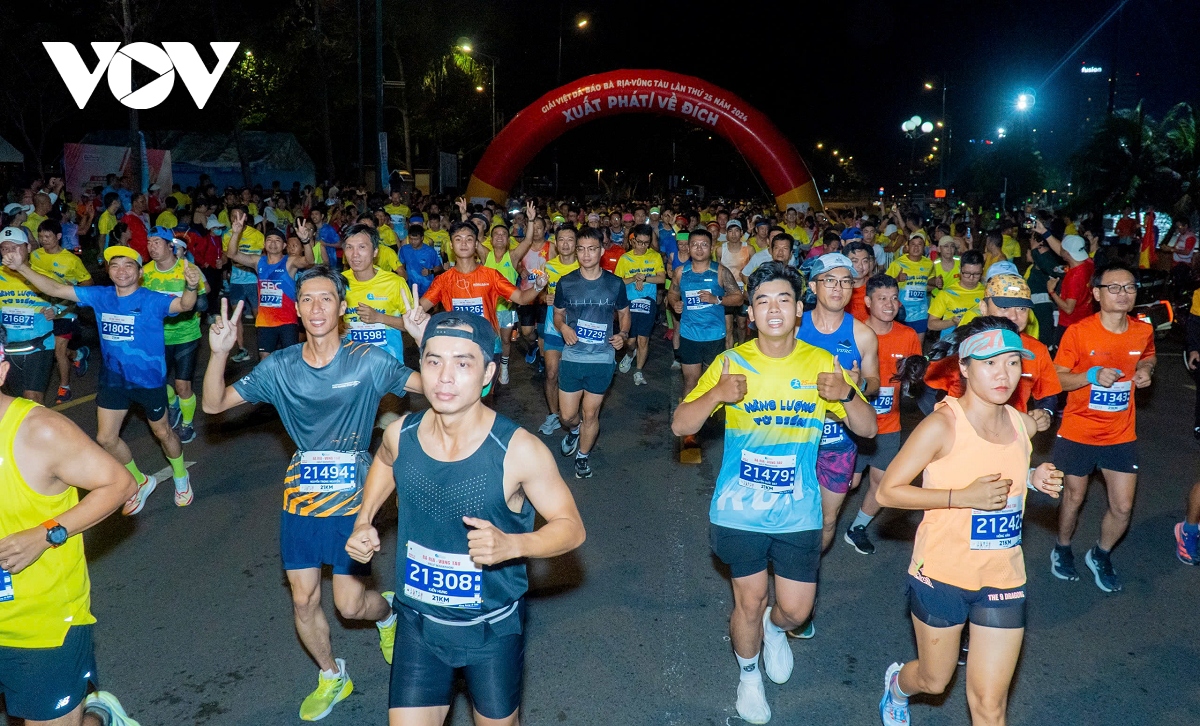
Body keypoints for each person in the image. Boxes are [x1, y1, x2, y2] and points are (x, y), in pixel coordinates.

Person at [202, 266, 428, 721]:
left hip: (353, 498)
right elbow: (212, 404)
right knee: (304, 599)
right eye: (307, 299)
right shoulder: (280, 367)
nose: (317, 308)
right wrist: (219, 354)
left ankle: (386, 617)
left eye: (327, 298)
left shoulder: (368, 360)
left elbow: (439, 391)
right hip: (301, 496)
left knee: (349, 603)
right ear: (298, 309)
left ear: (342, 308)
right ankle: (331, 675)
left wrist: (423, 341)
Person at [345, 311, 586, 726]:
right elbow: (384, 462)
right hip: (418, 624)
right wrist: (364, 518)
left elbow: (571, 527)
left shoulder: (518, 450)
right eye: (433, 360)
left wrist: (515, 544)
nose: (444, 377)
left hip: (489, 632)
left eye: (463, 362)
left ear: (489, 371)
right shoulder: (399, 434)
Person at [672, 261, 876, 725]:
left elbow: (868, 430)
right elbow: (680, 424)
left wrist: (845, 394)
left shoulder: (822, 364)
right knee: (749, 599)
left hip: (798, 510)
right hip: (738, 509)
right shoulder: (731, 363)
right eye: (762, 300)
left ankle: (775, 631)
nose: (774, 308)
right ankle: (748, 676)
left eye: (784, 298)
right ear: (751, 313)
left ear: (799, 309)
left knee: (795, 610)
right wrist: (716, 395)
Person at [876, 318, 1062, 726]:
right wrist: (962, 498)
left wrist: (1034, 478)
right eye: (990, 363)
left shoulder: (1020, 423)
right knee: (934, 679)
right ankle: (897, 686)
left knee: (990, 707)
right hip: (942, 574)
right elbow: (887, 492)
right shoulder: (942, 425)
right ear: (963, 366)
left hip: (1003, 576)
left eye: (1013, 363)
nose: (1003, 375)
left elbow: (1006, 473)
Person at [0, 323, 143, 726]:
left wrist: (45, 535)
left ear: (1, 369)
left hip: (42, 628)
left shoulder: (38, 430)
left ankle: (98, 716)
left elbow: (119, 483)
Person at [6, 243, 199, 513]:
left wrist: (191, 286)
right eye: (115, 265)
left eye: (128, 265)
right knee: (106, 439)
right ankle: (140, 480)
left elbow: (186, 304)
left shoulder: (152, 299)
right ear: (108, 271)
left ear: (140, 272)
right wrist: (22, 267)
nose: (121, 271)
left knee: (163, 432)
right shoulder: (100, 296)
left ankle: (181, 476)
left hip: (149, 380)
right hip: (113, 380)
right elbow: (55, 289)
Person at [1051, 261, 1156, 593]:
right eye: (1113, 287)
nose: (1123, 294)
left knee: (1123, 506)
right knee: (1074, 495)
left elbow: (1148, 355)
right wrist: (1090, 375)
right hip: (1079, 430)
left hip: (1120, 433)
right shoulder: (1079, 332)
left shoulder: (1143, 330)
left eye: (1129, 287)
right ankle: (1063, 548)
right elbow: (1057, 378)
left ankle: (1100, 553)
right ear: (1096, 294)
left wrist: (1146, 370)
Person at [796, 253, 880, 554]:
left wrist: (856, 387)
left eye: (845, 281)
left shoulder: (863, 335)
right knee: (789, 516)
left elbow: (874, 382)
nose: (838, 288)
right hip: (795, 435)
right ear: (814, 286)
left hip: (838, 442)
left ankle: (804, 576)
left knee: (827, 519)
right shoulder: (793, 328)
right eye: (829, 280)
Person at [842, 274, 924, 555]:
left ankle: (857, 528)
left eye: (893, 298)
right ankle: (822, 521)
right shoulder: (855, 334)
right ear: (867, 302)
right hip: (852, 424)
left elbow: (916, 380)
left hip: (889, 424)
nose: (889, 304)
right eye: (881, 298)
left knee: (882, 483)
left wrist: (917, 379)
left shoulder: (908, 335)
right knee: (848, 483)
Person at [553, 227, 631, 478]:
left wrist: (623, 335)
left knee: (590, 413)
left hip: (602, 357)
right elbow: (557, 315)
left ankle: (583, 457)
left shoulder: (615, 283)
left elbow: (624, 315)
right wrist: (563, 327)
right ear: (576, 252)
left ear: (601, 251)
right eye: (581, 249)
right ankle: (574, 431)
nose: (586, 254)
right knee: (567, 416)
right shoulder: (566, 283)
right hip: (573, 356)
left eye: (592, 248)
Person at [421, 222, 543, 351]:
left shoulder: (491, 276)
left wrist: (538, 286)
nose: (463, 243)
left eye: (469, 239)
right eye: (458, 239)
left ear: (475, 244)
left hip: (488, 346)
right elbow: (419, 309)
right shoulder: (443, 280)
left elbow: (521, 298)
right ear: (451, 245)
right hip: (458, 346)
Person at [140, 227, 209, 444]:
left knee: (182, 385)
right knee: (156, 383)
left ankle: (187, 425)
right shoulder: (145, 272)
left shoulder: (187, 268)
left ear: (170, 245)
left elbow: (204, 297)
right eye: (149, 242)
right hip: (156, 337)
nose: (152, 247)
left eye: (157, 242)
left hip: (185, 334)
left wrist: (195, 293)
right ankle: (173, 402)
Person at [223, 214, 315, 359]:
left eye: (277, 240)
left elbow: (309, 261)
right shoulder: (258, 261)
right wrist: (235, 233)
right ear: (264, 244)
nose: (273, 243)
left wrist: (305, 240)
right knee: (264, 361)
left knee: (289, 360)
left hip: (287, 321)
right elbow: (232, 254)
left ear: (284, 246)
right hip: (265, 322)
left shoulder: (290, 262)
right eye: (269, 240)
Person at [668, 228, 744, 401]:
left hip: (714, 336)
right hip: (689, 335)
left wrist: (716, 299)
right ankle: (688, 422)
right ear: (688, 247)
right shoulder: (681, 272)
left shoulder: (720, 272)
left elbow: (738, 298)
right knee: (690, 381)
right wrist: (675, 303)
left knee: (712, 383)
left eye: (704, 245)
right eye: (695, 244)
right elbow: (672, 294)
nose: (699, 248)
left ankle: (711, 421)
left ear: (711, 248)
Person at [30, 219, 92, 405]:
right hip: (41, 308)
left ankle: (65, 388)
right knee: (54, 349)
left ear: (58, 236)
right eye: (40, 236)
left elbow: (88, 284)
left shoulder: (72, 260)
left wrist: (69, 295)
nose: (43, 240)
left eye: (47, 236)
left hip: (66, 309)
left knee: (59, 349)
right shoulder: (35, 256)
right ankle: (78, 355)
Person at [339, 223, 417, 363]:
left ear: (375, 251)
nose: (355, 254)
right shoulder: (338, 283)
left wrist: (379, 317)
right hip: (350, 365)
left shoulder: (395, 283)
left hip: (388, 365)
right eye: (349, 247)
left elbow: (413, 325)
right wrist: (338, 328)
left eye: (362, 247)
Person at [0, 227, 59, 403]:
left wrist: (56, 310)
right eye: (5, 248)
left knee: (32, 399)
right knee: (15, 402)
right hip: (9, 347)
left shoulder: (43, 276)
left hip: (39, 345)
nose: (10, 252)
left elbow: (68, 299)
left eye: (15, 247)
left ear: (28, 248)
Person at [537, 226, 580, 435]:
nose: (565, 244)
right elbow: (539, 294)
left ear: (576, 243)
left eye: (570, 240)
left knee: (572, 375)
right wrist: (543, 297)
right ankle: (554, 415)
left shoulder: (584, 266)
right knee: (552, 372)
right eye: (561, 239)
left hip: (578, 329)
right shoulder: (549, 266)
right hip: (552, 326)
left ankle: (573, 415)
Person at [615, 223, 666, 386]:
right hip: (629, 302)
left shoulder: (655, 256)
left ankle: (638, 371)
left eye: (646, 242)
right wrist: (634, 278)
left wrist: (644, 278)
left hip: (647, 301)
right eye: (640, 242)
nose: (643, 246)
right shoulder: (625, 259)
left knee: (643, 340)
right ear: (633, 241)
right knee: (630, 342)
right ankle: (630, 355)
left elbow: (662, 279)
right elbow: (618, 283)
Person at [225, 206, 266, 362]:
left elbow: (262, 258)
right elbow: (229, 256)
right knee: (236, 318)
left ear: (246, 217)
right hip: (236, 281)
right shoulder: (227, 235)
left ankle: (263, 349)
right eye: (232, 216)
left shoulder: (257, 235)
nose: (236, 218)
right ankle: (242, 349)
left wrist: (246, 262)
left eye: (239, 215)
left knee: (259, 317)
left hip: (253, 281)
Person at [885, 234, 935, 343]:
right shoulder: (898, 263)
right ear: (907, 246)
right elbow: (884, 284)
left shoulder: (929, 264)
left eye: (919, 244)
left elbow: (929, 284)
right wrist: (897, 279)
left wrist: (936, 282)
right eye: (913, 244)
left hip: (920, 312)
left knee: (917, 345)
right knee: (900, 344)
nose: (916, 247)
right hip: (900, 312)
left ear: (924, 248)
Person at [925, 250, 985, 340]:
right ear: (960, 270)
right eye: (967, 273)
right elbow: (931, 324)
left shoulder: (987, 292)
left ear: (982, 271)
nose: (971, 278)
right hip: (951, 344)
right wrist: (951, 322)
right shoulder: (946, 293)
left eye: (976, 274)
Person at [1046, 234, 1095, 341]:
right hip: (1086, 319)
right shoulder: (1088, 263)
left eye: (1062, 249)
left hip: (1070, 325)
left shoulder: (1074, 277)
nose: (1060, 250)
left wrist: (1051, 291)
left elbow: (1068, 308)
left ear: (1067, 254)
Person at [397, 224, 442, 298]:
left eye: (416, 239)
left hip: (427, 288)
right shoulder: (404, 249)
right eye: (411, 239)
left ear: (422, 238)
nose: (413, 242)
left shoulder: (430, 251)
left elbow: (439, 267)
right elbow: (401, 266)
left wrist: (430, 271)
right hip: (410, 287)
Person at [843, 241, 877, 322]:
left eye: (865, 261)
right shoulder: (837, 287)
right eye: (855, 261)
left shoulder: (877, 286)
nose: (860, 266)